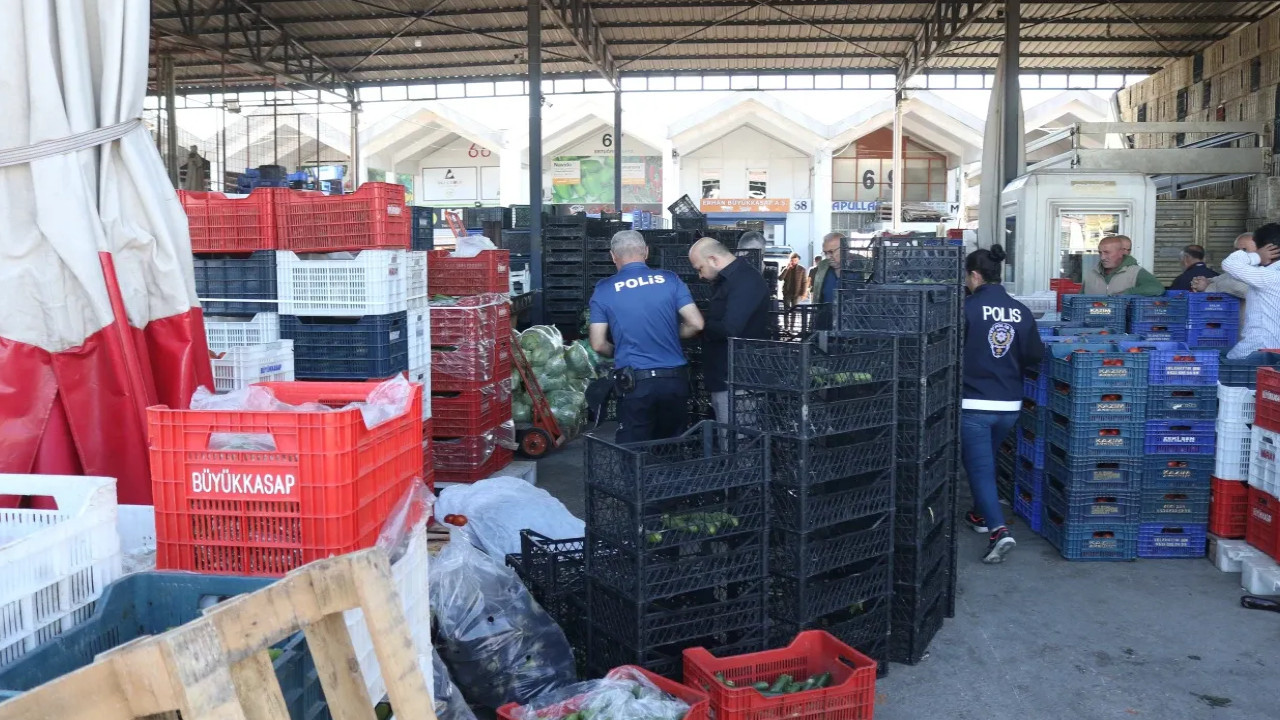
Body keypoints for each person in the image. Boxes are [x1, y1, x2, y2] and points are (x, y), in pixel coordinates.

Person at [961, 245, 1044, 564]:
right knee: (985, 462)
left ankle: (998, 530)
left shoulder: (967, 308)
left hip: (974, 403)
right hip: (1009, 405)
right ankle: (980, 517)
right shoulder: (1020, 311)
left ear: (975, 275)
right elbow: (1035, 355)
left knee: (980, 468)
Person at [589, 230, 705, 443]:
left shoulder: (604, 289)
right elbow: (697, 323)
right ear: (646, 252)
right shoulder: (670, 280)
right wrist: (670, 334)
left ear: (613, 256)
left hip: (636, 384)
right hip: (674, 381)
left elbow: (597, 344)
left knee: (635, 451)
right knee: (671, 445)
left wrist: (617, 350)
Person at [688, 238, 771, 426]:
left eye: (700, 268)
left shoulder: (747, 280)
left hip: (739, 380)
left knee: (736, 443)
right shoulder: (728, 281)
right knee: (729, 441)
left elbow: (730, 328)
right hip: (724, 376)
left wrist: (699, 321)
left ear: (713, 260)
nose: (700, 275)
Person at [1220, 223, 1280, 360]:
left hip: (1259, 350)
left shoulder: (1269, 277)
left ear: (1267, 248)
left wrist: (1257, 256)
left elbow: (1229, 264)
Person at [1082, 235, 1164, 296]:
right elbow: (1079, 300)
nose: (1102, 257)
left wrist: (1127, 293)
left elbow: (1157, 289)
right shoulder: (1091, 274)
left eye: (1107, 252)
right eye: (1100, 253)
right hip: (1093, 319)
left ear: (1121, 252)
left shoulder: (1135, 272)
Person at [780, 253, 807, 317]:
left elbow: (804, 282)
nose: (794, 262)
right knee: (786, 310)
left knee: (794, 311)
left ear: (798, 260)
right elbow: (780, 278)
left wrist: (803, 293)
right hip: (787, 292)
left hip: (796, 293)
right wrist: (787, 268)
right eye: (792, 260)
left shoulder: (802, 269)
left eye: (795, 261)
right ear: (790, 260)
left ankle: (792, 325)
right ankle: (786, 325)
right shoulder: (785, 268)